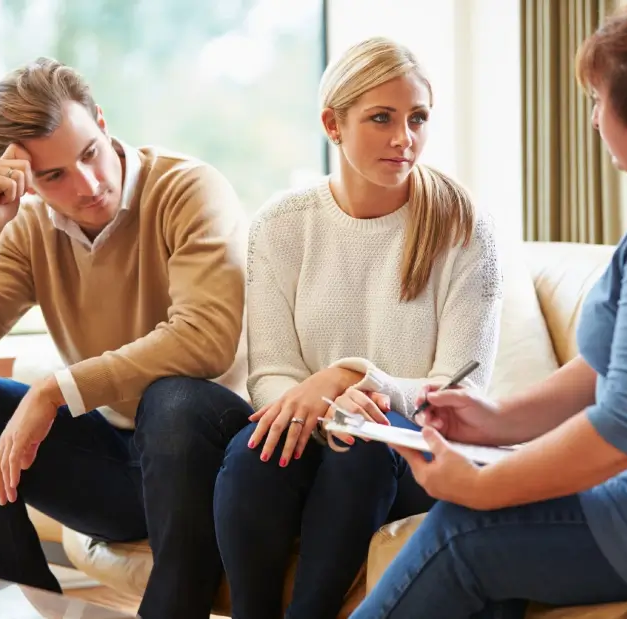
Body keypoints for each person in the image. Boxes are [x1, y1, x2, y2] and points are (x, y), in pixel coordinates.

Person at [349, 2, 627, 618]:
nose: (594, 121)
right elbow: (608, 365)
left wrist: (483, 484)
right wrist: (496, 420)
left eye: (597, 101)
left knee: (461, 536)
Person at [213, 37, 503, 619]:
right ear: (332, 124)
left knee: (362, 445)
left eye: (417, 118)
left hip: (416, 451)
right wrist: (323, 404)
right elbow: (271, 373)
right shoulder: (282, 225)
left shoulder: (464, 228)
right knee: (252, 453)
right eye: (382, 118)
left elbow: (459, 392)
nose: (405, 139)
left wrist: (356, 380)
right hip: (318, 431)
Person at [0, 58, 253, 619]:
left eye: (89, 153)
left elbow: (206, 338)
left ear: (101, 119)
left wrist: (54, 390)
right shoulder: (25, 230)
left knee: (172, 398)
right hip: (121, 467)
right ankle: (22, 608)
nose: (88, 185)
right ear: (20, 178)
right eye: (54, 177)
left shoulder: (187, 188)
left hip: (214, 455)